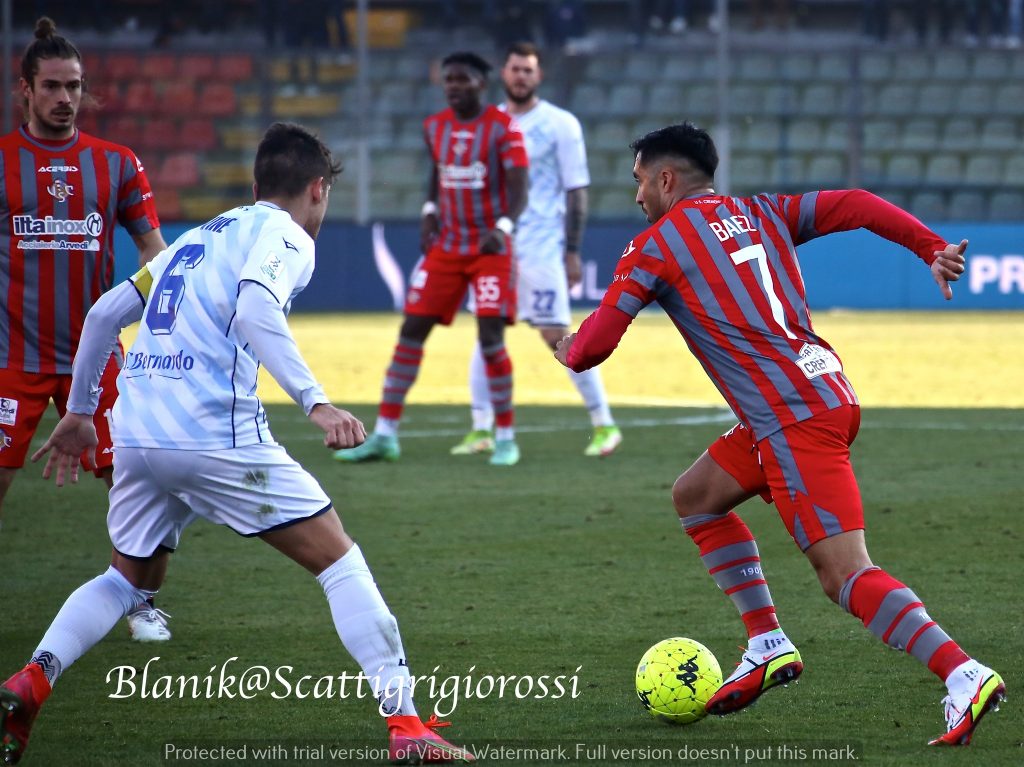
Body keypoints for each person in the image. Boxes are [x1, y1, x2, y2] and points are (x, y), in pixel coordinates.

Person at [0, 122, 476, 766]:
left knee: (129, 577)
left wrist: (83, 411)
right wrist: (317, 401)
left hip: (137, 430)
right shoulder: (286, 234)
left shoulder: (197, 237)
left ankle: (32, 679)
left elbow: (103, 315)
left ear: (255, 186)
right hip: (211, 433)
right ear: (317, 190)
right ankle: (405, 724)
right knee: (338, 559)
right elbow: (256, 310)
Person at [554, 122, 1005, 746]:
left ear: (665, 179)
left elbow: (591, 350)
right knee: (696, 496)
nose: (636, 198)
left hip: (791, 419)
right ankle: (767, 642)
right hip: (821, 396)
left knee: (844, 575)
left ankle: (962, 673)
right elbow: (857, 203)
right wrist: (929, 247)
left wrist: (564, 345)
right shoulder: (763, 211)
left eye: (638, 183)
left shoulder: (654, 245)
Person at [0, 17, 172, 643]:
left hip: (95, 357)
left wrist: (167, 318)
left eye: (73, 85)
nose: (65, 97)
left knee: (137, 477)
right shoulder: (2, 161)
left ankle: (141, 599)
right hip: (9, 357)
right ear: (26, 89)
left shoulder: (116, 163)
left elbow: (155, 253)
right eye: (51, 86)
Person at [335, 51, 529, 467]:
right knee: (411, 329)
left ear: (482, 83)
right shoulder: (435, 127)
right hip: (447, 246)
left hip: (490, 248)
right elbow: (437, 174)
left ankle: (506, 438)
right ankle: (386, 435)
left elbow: (519, 190)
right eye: (448, 80)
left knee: (491, 337)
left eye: (462, 79)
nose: (454, 86)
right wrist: (428, 212)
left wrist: (504, 228)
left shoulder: (503, 129)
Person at [450, 42, 622, 459]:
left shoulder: (560, 124)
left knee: (554, 335)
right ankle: (481, 429)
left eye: (528, 69)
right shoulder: (487, 124)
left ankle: (604, 423)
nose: (521, 76)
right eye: (515, 69)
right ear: (504, 75)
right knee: (487, 331)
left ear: (538, 75)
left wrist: (572, 250)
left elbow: (576, 188)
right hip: (496, 247)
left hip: (543, 248)